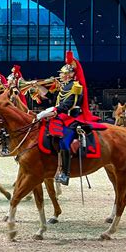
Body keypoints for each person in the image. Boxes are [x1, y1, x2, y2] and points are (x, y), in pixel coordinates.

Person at [36, 51, 99, 186]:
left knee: (65, 142)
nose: (61, 75)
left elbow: (68, 105)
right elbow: (54, 99)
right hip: (61, 116)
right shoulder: (64, 86)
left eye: (63, 73)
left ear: (71, 74)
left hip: (73, 117)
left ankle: (65, 173)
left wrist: (52, 111)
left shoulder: (76, 87)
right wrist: (39, 87)